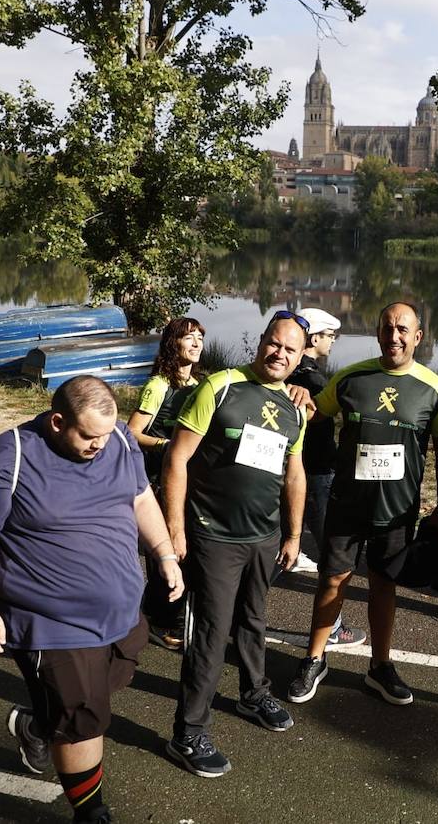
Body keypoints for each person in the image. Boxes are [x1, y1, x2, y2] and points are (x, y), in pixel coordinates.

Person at [0, 375, 182, 823]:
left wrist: (165, 553)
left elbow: (139, 498)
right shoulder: (8, 458)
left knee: (111, 678)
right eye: (89, 436)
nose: (100, 445)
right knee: (82, 720)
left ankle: (39, 723)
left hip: (120, 611)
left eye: (106, 434)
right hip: (49, 620)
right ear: (57, 421)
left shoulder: (118, 441)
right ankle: (90, 811)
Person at [159, 315, 309, 777]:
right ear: (260, 342)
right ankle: (188, 732)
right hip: (213, 535)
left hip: (263, 536)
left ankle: (253, 694)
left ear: (301, 358)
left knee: (253, 618)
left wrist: (293, 534)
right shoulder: (220, 387)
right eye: (273, 343)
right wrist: (175, 529)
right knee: (210, 631)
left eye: (290, 349)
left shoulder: (296, 408)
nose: (279, 354)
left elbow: (295, 473)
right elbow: (176, 458)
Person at [287, 302, 438, 708]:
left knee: (383, 583)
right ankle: (315, 658)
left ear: (418, 337)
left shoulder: (435, 389)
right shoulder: (350, 378)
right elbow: (315, 414)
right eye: (387, 328)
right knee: (332, 580)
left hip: (397, 510)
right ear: (378, 333)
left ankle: (379, 666)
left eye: (403, 329)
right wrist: (296, 394)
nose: (393, 336)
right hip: (348, 503)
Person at [283, 307, 367, 646]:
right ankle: (332, 629)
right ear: (314, 338)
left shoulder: (289, 373)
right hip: (316, 473)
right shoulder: (314, 379)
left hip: (292, 470)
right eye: (330, 336)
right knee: (330, 556)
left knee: (280, 545)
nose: (332, 341)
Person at [126, 317, 206, 651]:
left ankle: (164, 610)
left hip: (185, 479)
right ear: (173, 343)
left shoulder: (198, 385)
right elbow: (131, 432)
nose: (197, 343)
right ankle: (158, 620)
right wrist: (166, 446)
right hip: (157, 479)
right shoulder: (159, 385)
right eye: (189, 338)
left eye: (200, 337)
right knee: (165, 547)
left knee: (182, 546)